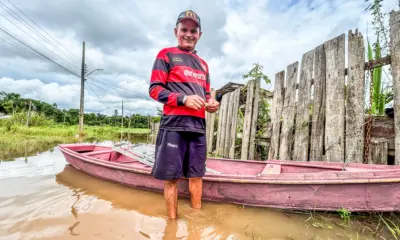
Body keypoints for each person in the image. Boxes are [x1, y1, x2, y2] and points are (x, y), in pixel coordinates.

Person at [148, 9, 219, 219]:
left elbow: (206, 95)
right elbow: (154, 90)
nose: (188, 34)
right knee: (171, 178)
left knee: (197, 175)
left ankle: (196, 223)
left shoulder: (204, 65)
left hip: (197, 127)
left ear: (200, 35)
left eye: (193, 30)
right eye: (184, 29)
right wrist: (183, 99)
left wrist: (211, 103)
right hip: (174, 125)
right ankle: (171, 224)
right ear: (176, 31)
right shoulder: (166, 55)